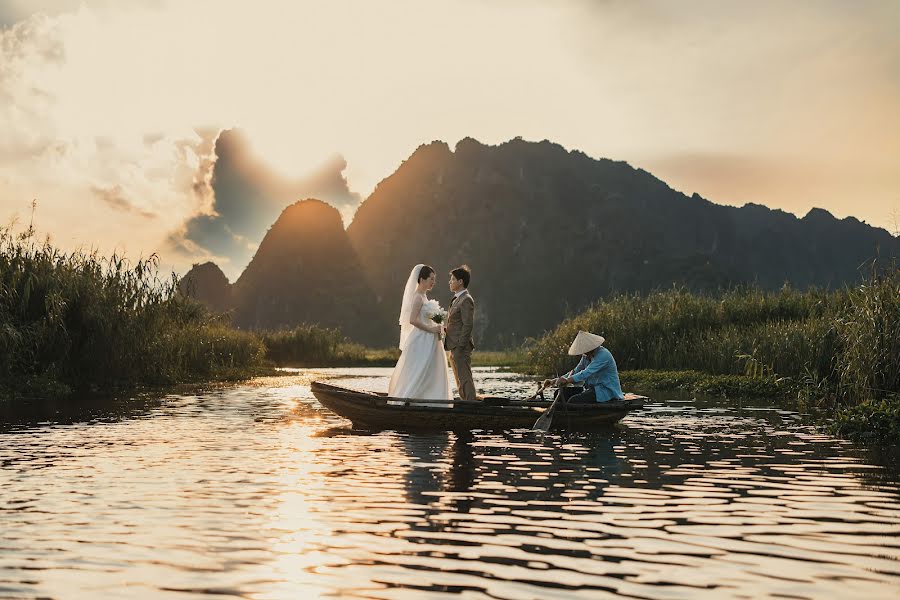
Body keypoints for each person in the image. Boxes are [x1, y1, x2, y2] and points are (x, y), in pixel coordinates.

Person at [388, 264, 452, 400]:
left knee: (431, 370)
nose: (433, 282)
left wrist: (438, 325)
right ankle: (410, 398)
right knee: (419, 369)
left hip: (431, 338)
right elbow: (412, 320)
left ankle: (433, 397)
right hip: (421, 338)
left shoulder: (424, 296)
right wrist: (431, 329)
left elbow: (426, 317)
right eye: (431, 279)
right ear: (422, 279)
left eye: (434, 279)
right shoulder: (417, 297)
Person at [546, 330, 624, 404]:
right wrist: (554, 380)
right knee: (559, 394)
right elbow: (576, 371)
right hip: (591, 389)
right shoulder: (586, 356)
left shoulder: (603, 355)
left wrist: (567, 380)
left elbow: (586, 373)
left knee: (574, 401)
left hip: (606, 391)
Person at [443, 265, 478, 401]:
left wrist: (461, 346)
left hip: (460, 346)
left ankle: (470, 404)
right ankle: (465, 401)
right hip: (453, 345)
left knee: (464, 377)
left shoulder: (466, 299)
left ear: (460, 282)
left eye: (452, 279)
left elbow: (468, 325)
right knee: (458, 378)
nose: (450, 282)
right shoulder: (456, 299)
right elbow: (456, 323)